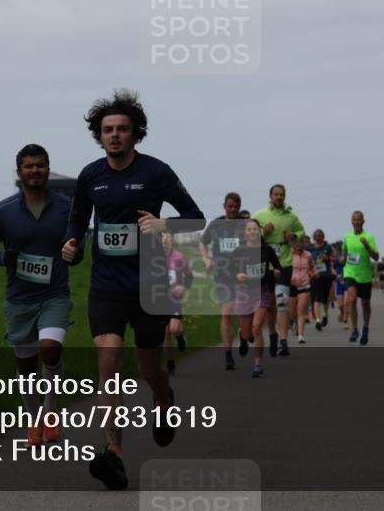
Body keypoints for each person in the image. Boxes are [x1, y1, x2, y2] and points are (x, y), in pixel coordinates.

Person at [62, 90, 205, 490]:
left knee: (149, 370)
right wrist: (71, 247)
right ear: (99, 135)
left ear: (135, 134)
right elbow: (76, 224)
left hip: (150, 285)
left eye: (122, 129)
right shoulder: (91, 176)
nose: (115, 135)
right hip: (106, 286)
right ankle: (114, 455)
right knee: (109, 365)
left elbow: (196, 218)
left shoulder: (157, 173)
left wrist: (164, 225)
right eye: (107, 129)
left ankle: (164, 401)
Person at [0, 144, 72, 447]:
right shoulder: (4, 210)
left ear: (47, 168)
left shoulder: (64, 207)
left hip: (55, 295)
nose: (35, 171)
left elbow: (77, 240)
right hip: (19, 299)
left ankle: (49, 411)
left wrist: (76, 252)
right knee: (27, 366)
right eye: (29, 166)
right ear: (19, 173)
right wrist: (2, 258)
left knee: (51, 349)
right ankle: (34, 421)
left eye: (41, 165)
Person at [253, 185, 305, 357]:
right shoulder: (260, 215)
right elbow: (249, 232)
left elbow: (301, 231)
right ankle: (273, 335)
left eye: (281, 194)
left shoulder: (291, 216)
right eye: (276, 194)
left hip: (284, 262)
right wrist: (262, 231)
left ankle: (283, 341)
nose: (279, 197)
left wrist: (294, 236)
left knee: (281, 300)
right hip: (265, 265)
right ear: (270, 196)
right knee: (270, 305)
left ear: (285, 197)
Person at [200, 192, 246, 371]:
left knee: (242, 313)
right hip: (222, 275)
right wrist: (206, 259)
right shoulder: (216, 224)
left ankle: (244, 335)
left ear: (239, 207)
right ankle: (228, 354)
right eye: (230, 206)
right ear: (224, 206)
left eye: (235, 207)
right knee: (227, 313)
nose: (233, 209)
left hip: (242, 274)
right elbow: (203, 242)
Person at [232, 218, 282, 378]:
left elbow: (278, 266)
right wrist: (237, 275)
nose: (252, 232)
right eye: (249, 230)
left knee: (257, 328)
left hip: (262, 291)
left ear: (259, 231)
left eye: (255, 229)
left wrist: (277, 272)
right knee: (249, 335)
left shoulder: (267, 250)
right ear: (245, 233)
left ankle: (258, 365)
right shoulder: (239, 251)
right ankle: (243, 335)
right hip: (244, 293)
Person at [341, 211, 380, 345]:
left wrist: (367, 246)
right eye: (354, 219)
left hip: (365, 275)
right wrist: (342, 259)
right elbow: (344, 252)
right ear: (351, 221)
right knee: (351, 299)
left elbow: (375, 257)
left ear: (363, 221)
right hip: (350, 273)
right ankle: (354, 329)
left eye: (359, 220)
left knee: (365, 304)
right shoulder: (347, 237)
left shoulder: (368, 237)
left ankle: (366, 328)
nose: (356, 222)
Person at [162, 232, 193, 375]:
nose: (166, 239)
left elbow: (189, 276)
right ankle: (170, 361)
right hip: (158, 299)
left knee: (173, 329)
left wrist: (183, 287)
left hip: (174, 299)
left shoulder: (178, 257)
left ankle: (180, 335)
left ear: (172, 240)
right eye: (162, 236)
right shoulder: (152, 257)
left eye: (168, 236)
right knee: (165, 332)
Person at [289, 234, 316, 344]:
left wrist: (314, 274)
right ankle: (294, 322)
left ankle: (301, 335)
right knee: (292, 312)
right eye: (297, 244)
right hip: (291, 285)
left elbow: (312, 267)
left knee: (301, 309)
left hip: (305, 285)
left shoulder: (308, 255)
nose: (299, 246)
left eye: (301, 243)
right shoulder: (289, 254)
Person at [309, 229, 335, 329]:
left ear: (323, 237)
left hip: (326, 276)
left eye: (320, 235)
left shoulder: (327, 247)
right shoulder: (311, 249)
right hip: (316, 276)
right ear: (314, 237)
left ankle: (325, 314)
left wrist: (327, 258)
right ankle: (318, 321)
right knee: (316, 298)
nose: (318, 237)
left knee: (325, 298)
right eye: (316, 235)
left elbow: (334, 258)